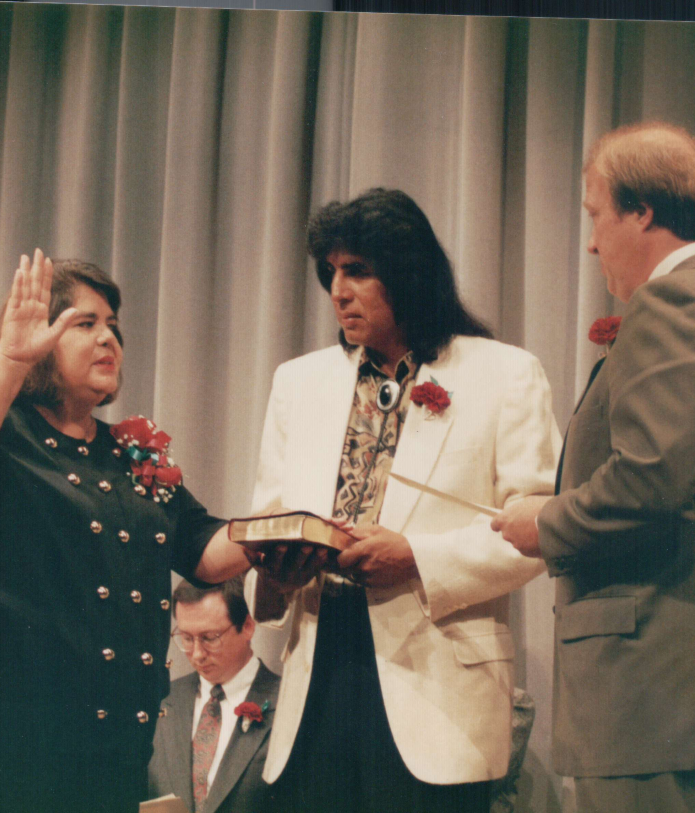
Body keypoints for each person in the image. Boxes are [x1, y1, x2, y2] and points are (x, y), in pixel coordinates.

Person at [492, 121, 695, 812]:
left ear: (642, 210)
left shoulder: (675, 302)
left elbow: (649, 482)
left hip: (663, 705)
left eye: (596, 214)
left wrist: (543, 521)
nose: (591, 239)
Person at [246, 188, 558, 813]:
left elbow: (538, 529)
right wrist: (276, 576)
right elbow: (270, 513)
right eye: (331, 272)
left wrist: (417, 556)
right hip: (318, 672)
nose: (338, 289)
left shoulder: (504, 373)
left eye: (357, 270)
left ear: (407, 272)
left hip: (439, 689)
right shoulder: (298, 381)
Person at [0, 250, 248, 813]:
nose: (109, 338)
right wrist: (9, 360)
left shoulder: (131, 454)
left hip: (116, 751)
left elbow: (204, 549)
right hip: (14, 746)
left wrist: (281, 529)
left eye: (113, 325)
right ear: (39, 336)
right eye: (85, 324)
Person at [148, 577, 279, 813]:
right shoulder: (162, 702)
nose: (197, 654)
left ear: (248, 626)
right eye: (187, 638)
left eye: (210, 638)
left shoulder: (289, 703)